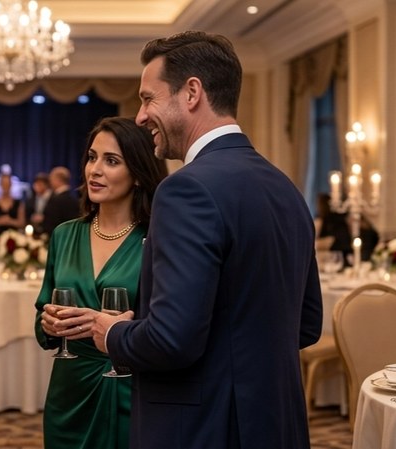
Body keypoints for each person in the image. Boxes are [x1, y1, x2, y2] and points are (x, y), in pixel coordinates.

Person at [82, 31, 321, 448]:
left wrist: (113, 333)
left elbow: (170, 341)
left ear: (192, 92)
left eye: (147, 98)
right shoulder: (285, 187)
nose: (140, 117)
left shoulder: (185, 190)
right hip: (275, 423)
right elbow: (306, 324)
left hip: (202, 429)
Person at [34, 117, 168, 448]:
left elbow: (170, 324)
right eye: (92, 157)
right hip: (69, 389)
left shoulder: (158, 238)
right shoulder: (65, 235)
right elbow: (41, 324)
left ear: (137, 172)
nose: (94, 170)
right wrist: (48, 323)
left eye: (111, 161)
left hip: (130, 386)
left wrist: (115, 328)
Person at [40, 167, 80, 235]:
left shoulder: (56, 200)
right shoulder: (73, 200)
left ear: (57, 180)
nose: (50, 182)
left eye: (51, 179)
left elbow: (51, 223)